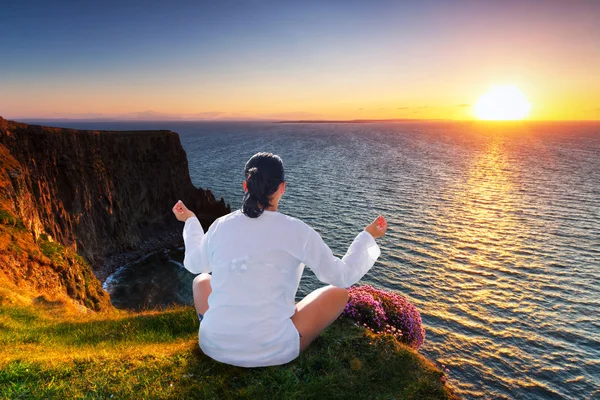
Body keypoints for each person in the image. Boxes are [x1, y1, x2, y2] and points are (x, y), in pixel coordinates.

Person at [171, 152, 388, 367]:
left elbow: (195, 264)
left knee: (201, 280)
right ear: (282, 188)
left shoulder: (220, 225)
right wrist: (367, 236)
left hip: (211, 344)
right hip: (272, 351)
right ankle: (276, 330)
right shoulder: (298, 231)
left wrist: (190, 220)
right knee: (338, 293)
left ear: (245, 186)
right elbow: (342, 275)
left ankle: (218, 329)